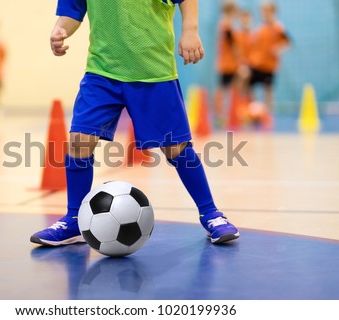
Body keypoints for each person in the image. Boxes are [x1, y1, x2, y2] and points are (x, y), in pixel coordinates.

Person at [31, 0, 240, 246]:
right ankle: (74, 218)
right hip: (101, 71)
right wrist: (60, 29)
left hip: (153, 71)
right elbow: (73, 9)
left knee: (177, 148)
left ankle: (210, 213)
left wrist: (190, 30)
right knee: (79, 141)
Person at [248, 1, 290, 114]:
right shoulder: (260, 28)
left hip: (269, 65)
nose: (264, 14)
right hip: (256, 63)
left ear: (273, 12)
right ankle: (253, 111)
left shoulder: (278, 27)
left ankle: (268, 114)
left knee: (268, 90)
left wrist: (278, 49)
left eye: (267, 11)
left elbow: (288, 42)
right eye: (262, 11)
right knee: (249, 85)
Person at [214, 1, 240, 128]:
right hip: (228, 64)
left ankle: (225, 115)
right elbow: (233, 46)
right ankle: (222, 116)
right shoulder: (226, 24)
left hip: (227, 63)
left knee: (227, 90)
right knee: (226, 91)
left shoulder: (225, 23)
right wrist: (241, 61)